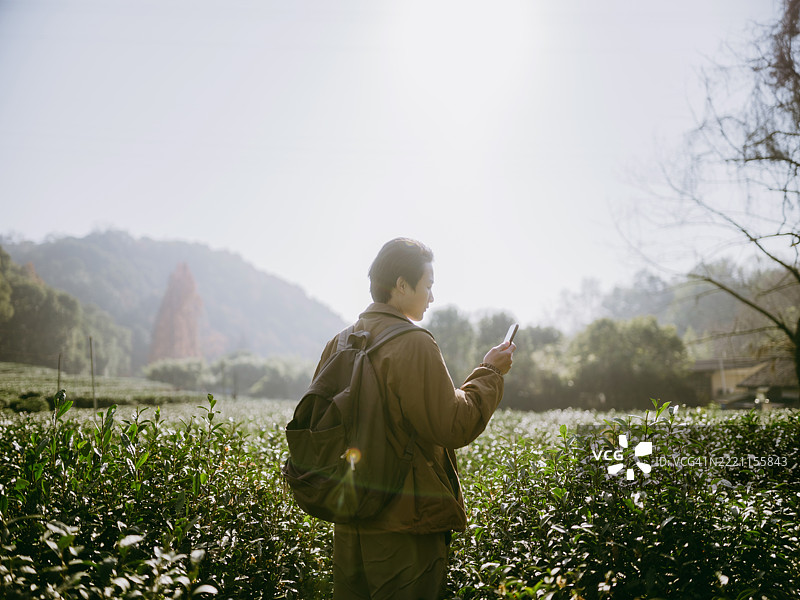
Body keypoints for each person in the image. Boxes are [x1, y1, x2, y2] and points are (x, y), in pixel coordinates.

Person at [313, 237, 515, 600]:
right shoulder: (414, 342)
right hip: (406, 524)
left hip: (350, 519)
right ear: (402, 285)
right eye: (428, 285)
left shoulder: (339, 342)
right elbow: (452, 424)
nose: (432, 297)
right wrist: (490, 372)